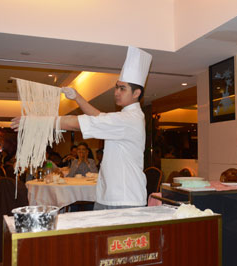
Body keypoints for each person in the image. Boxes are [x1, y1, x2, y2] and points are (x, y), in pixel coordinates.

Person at [11, 46, 152, 210]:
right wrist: (77, 97)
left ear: (136, 93)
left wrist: (36, 121)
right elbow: (98, 117)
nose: (116, 92)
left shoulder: (128, 119)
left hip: (124, 198)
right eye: (116, 87)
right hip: (110, 195)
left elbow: (74, 122)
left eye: (123, 88)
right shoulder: (124, 117)